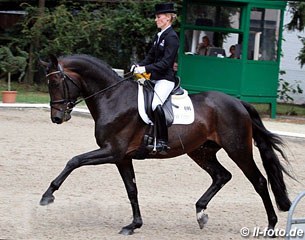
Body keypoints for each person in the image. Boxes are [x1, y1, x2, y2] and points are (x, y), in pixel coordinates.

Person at [131, 2, 179, 154]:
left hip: (165, 79)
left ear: (167, 18)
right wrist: (138, 65)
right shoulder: (158, 36)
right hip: (154, 78)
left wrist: (145, 69)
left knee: (155, 105)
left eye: (158, 17)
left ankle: (163, 141)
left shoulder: (172, 37)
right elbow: (150, 57)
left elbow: (166, 63)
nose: (155, 20)